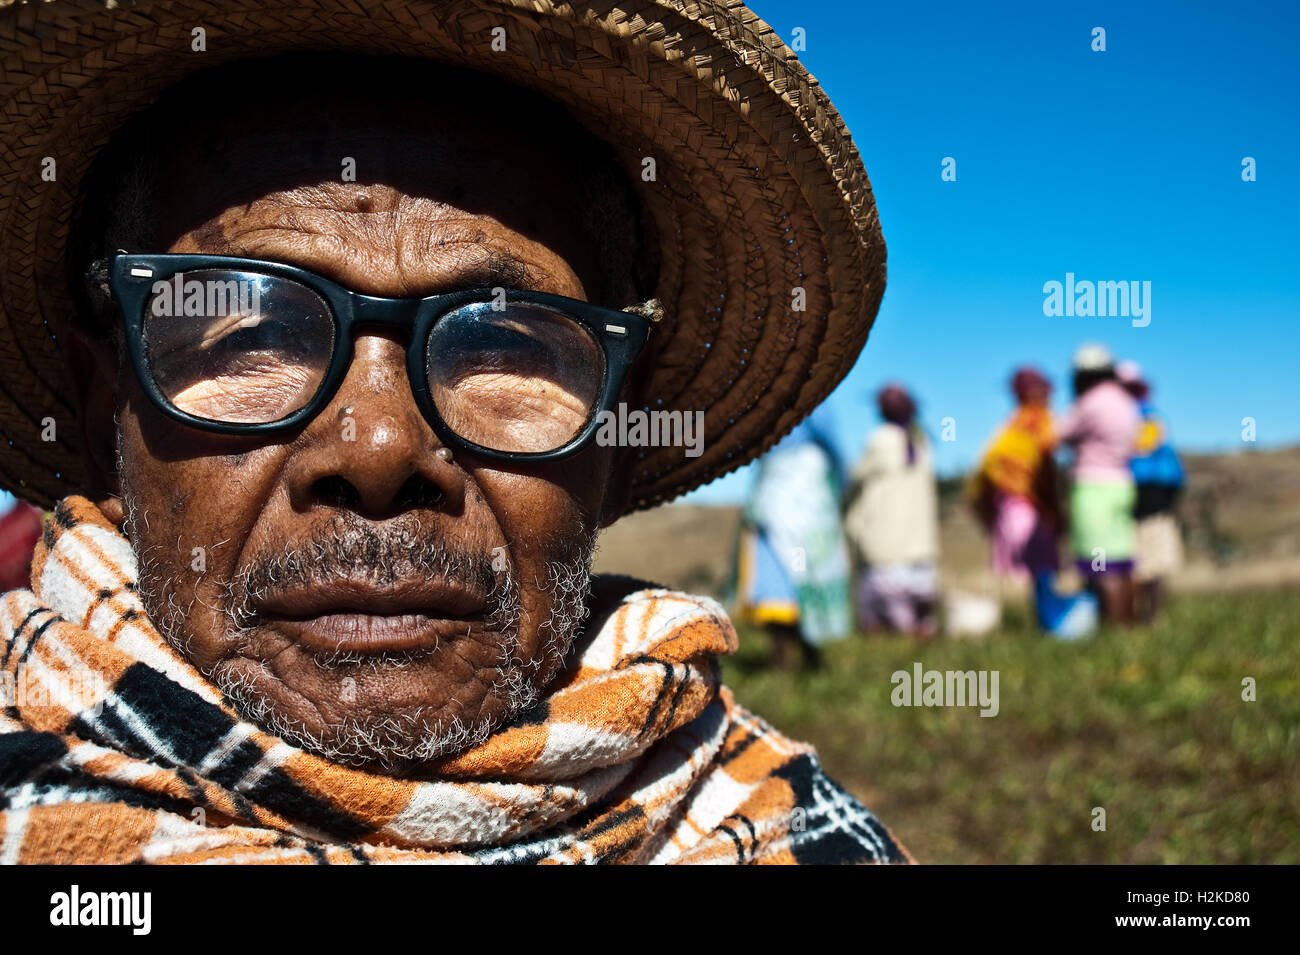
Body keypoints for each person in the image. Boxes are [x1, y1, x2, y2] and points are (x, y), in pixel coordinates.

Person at [0, 4, 910, 864]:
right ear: (101, 416)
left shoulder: (793, 830)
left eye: (499, 342)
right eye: (258, 331)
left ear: (620, 438)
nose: (379, 448)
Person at [735, 405, 853, 670]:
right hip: (792, 487)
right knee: (795, 566)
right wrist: (842, 486)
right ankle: (798, 653)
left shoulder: (787, 400)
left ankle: (798, 653)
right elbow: (834, 447)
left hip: (791, 486)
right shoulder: (807, 401)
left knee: (790, 564)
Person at [844, 385, 941, 638]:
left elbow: (855, 476)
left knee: (881, 609)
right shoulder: (922, 441)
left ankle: (888, 645)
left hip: (885, 546)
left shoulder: (880, 439)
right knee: (918, 613)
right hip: (919, 546)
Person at [1056, 344, 1141, 624]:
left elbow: (1059, 434)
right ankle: (1130, 624)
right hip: (1122, 484)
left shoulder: (1090, 402)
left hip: (1094, 486)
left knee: (1101, 564)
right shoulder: (1125, 400)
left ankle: (1112, 626)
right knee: (1121, 560)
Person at [968, 367, 1063, 595]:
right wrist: (1054, 508)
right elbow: (1045, 466)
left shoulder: (1009, 426)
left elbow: (983, 476)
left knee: (1016, 573)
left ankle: (1021, 624)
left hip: (1007, 507)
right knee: (1036, 572)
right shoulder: (1039, 422)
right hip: (1028, 507)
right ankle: (1038, 624)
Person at [1117, 360, 1185, 621]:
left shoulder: (1141, 418)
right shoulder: (1150, 415)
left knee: (1144, 561)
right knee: (1150, 562)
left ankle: (1144, 618)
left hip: (1142, 495)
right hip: (1154, 496)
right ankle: (1147, 617)